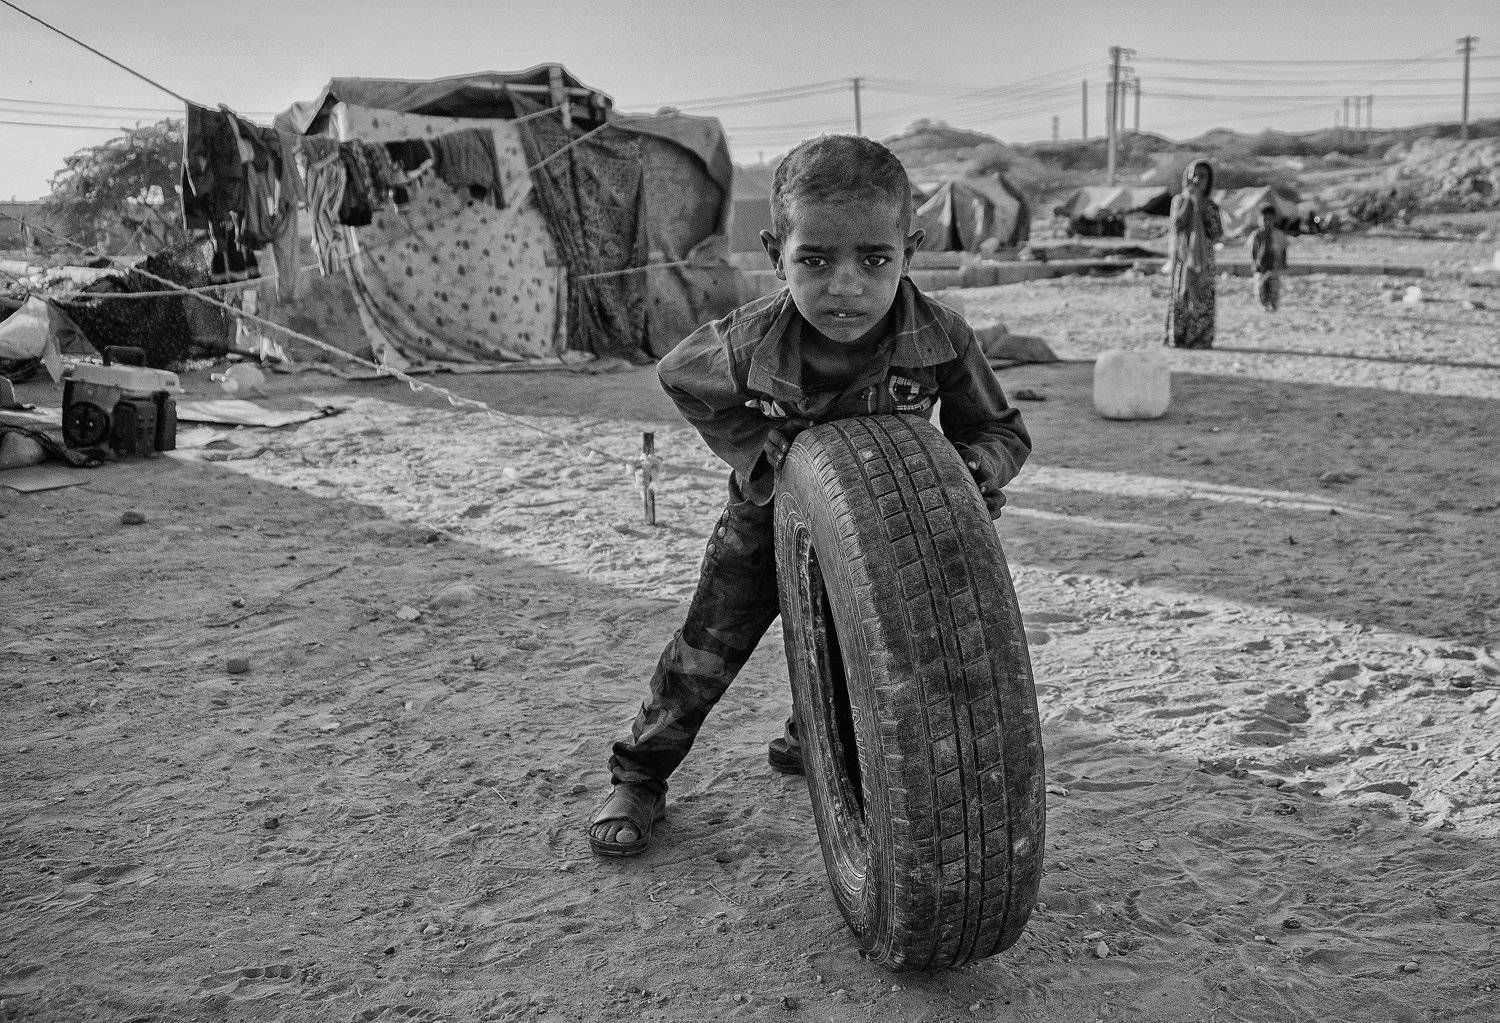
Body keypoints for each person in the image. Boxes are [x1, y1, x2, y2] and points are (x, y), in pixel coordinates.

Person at [587, 135, 1032, 858]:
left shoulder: (943, 335)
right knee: (704, 652)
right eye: (815, 261)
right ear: (775, 254)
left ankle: (810, 738)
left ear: (910, 252)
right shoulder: (751, 338)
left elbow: (1001, 430)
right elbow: (680, 376)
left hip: (891, 531)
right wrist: (755, 449)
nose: (846, 286)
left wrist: (972, 468)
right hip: (767, 523)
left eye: (874, 260)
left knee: (860, 647)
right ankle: (640, 773)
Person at [1164, 159, 1224, 349]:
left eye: (1203, 176)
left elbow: (1216, 233)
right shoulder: (1179, 201)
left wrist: (1202, 207)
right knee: (1181, 297)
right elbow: (1176, 226)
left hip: (1204, 261)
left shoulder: (1212, 206)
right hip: (1183, 258)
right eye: (1194, 174)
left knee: (1202, 298)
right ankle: (1179, 337)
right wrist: (1190, 204)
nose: (1197, 179)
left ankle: (1199, 339)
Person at [1247, 204, 1289, 312]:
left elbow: (1284, 249)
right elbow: (1253, 251)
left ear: (1274, 219)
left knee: (1274, 289)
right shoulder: (1256, 235)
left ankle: (1274, 307)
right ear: (1259, 219)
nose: (1267, 222)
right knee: (1261, 290)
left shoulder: (1279, 234)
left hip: (1275, 267)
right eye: (1264, 219)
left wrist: (1284, 262)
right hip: (1261, 268)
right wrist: (1254, 264)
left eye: (1270, 219)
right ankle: (1264, 307)